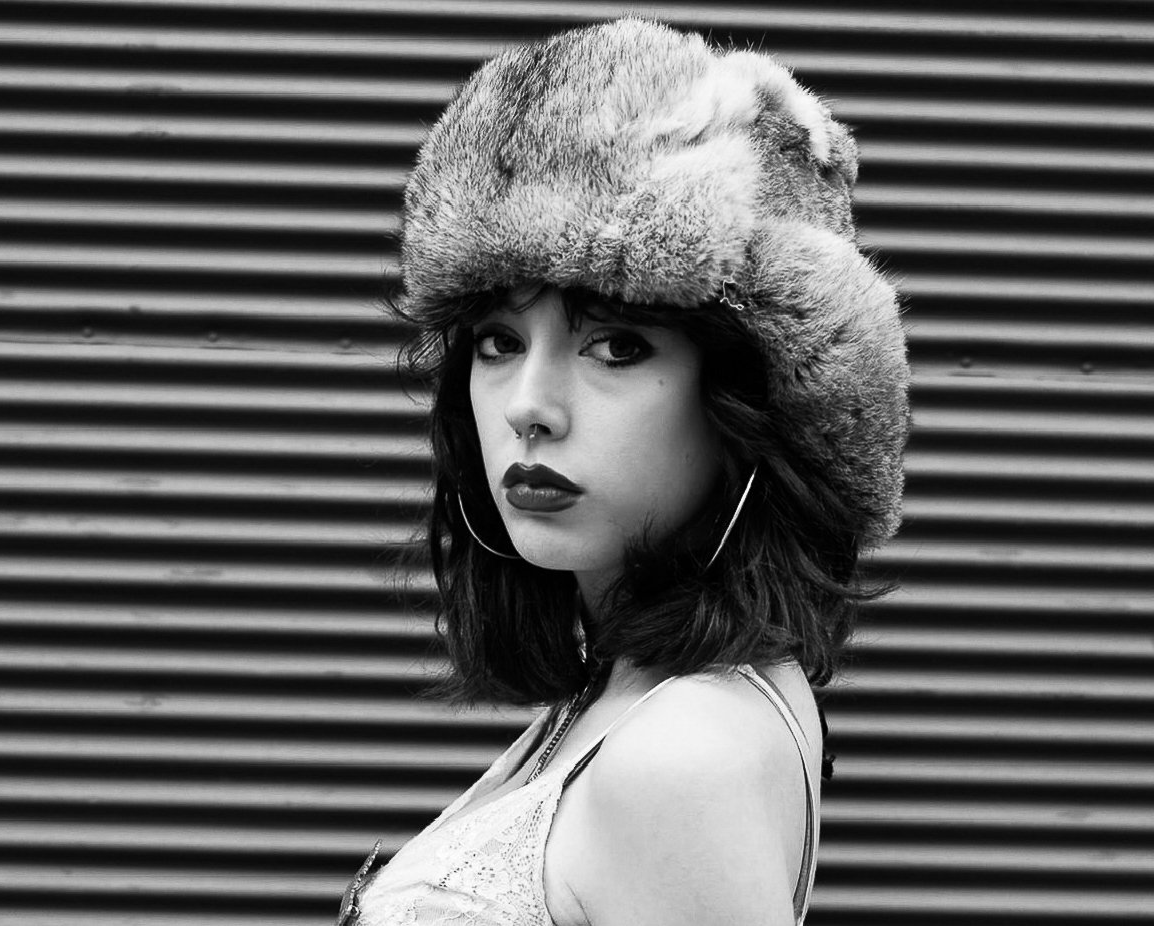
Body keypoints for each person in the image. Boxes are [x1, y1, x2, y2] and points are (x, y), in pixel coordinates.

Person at [339, 17, 909, 926]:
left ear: (747, 400)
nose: (530, 403)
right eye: (498, 340)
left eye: (616, 344)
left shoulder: (680, 757)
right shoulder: (624, 688)